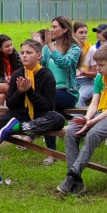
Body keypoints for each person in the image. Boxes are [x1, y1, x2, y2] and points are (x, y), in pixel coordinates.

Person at [0, 39, 63, 188]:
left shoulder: (46, 75)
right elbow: (11, 103)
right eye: (22, 53)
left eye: (29, 53)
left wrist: (30, 91)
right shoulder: (18, 74)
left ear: (39, 56)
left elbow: (48, 106)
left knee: (58, 118)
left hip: (39, 116)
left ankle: (23, 127)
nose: (24, 56)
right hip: (18, 115)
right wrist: (21, 92)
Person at [58, 43, 107, 195]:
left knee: (94, 133)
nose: (97, 68)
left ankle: (72, 175)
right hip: (100, 114)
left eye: (101, 65)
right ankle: (76, 183)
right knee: (71, 131)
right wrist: (87, 118)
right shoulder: (101, 78)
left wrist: (91, 122)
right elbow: (94, 102)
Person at [39, 16, 81, 163]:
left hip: (67, 93)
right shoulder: (46, 47)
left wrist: (51, 47)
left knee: (46, 103)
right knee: (47, 110)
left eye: (55, 27)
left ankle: (46, 147)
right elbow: (42, 66)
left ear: (64, 30)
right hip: (51, 93)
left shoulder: (74, 49)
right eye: (51, 26)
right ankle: (52, 152)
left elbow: (65, 63)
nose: (51, 30)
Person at [0, 34, 21, 105]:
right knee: (1, 97)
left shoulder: (17, 56)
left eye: (11, 45)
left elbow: (22, 72)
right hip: (7, 85)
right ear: (0, 48)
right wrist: (5, 80)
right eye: (7, 46)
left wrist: (12, 78)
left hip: (18, 85)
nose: (10, 48)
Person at [74, 22, 96, 107]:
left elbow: (94, 74)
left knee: (79, 97)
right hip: (73, 82)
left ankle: (76, 120)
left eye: (85, 32)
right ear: (73, 34)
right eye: (81, 32)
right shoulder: (70, 49)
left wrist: (83, 73)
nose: (84, 35)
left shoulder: (91, 50)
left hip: (88, 82)